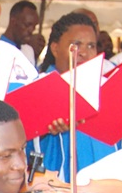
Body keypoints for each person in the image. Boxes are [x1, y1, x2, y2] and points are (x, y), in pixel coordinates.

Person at [31, 12, 117, 181]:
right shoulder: (39, 87)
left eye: (91, 46)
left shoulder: (108, 87)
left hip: (107, 189)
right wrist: (44, 130)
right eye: (76, 45)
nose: (84, 52)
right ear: (55, 48)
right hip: (58, 190)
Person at [1, 0, 40, 67]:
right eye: (27, 25)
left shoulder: (28, 50)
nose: (31, 30)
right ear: (13, 21)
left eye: (34, 26)